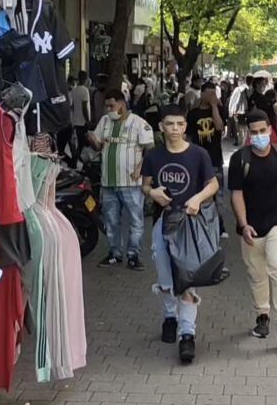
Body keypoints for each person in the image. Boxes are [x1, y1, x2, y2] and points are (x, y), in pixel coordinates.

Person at [142, 105, 219, 364]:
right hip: (163, 223)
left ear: (186, 126)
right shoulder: (153, 156)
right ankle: (169, 317)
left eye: (179, 124)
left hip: (191, 226)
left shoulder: (199, 154)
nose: (174, 129)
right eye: (169, 124)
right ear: (161, 126)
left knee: (187, 279)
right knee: (165, 277)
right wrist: (152, 193)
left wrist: (197, 199)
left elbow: (214, 184)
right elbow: (145, 185)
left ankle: (187, 335)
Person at [228, 110, 277, 346]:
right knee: (257, 274)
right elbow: (236, 193)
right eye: (254, 132)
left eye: (262, 131)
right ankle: (263, 315)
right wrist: (243, 223)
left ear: (270, 129)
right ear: (248, 134)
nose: (259, 136)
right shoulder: (240, 159)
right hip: (251, 226)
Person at [88, 88, 156, 269]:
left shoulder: (139, 123)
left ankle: (133, 255)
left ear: (122, 104)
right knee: (111, 221)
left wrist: (140, 169)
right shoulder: (105, 121)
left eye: (112, 105)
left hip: (131, 183)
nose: (109, 109)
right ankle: (114, 253)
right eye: (107, 106)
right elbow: (98, 145)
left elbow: (150, 150)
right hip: (108, 182)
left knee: (135, 221)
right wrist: (91, 138)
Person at [186, 82, 229, 238]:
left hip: (215, 159)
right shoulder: (193, 114)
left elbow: (219, 127)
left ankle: (221, 226)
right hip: (197, 160)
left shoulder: (218, 110)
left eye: (214, 94)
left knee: (219, 197)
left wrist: (215, 107)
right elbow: (189, 137)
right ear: (202, 94)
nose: (212, 97)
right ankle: (201, 225)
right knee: (199, 194)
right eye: (209, 94)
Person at [70, 71, 92, 164]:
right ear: (86, 79)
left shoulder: (74, 90)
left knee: (79, 142)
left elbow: (73, 106)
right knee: (83, 143)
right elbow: (84, 106)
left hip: (76, 120)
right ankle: (77, 160)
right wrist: (87, 120)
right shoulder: (85, 90)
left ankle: (75, 160)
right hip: (83, 121)